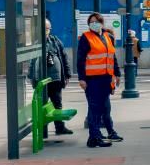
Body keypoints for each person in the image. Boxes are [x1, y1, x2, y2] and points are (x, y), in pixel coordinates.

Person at [78, 12, 122, 148]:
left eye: (96, 21)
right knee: (94, 109)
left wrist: (117, 74)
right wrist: (82, 78)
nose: (94, 24)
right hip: (92, 80)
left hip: (106, 78)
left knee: (104, 107)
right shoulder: (86, 37)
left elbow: (112, 57)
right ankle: (94, 137)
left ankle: (96, 136)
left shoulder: (108, 37)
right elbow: (80, 60)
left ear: (102, 23)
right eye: (91, 22)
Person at [28, 19, 74, 138]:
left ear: (50, 30)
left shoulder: (55, 41)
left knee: (57, 103)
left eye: (47, 29)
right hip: (41, 80)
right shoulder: (37, 43)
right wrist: (31, 76)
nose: (45, 31)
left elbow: (64, 57)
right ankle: (43, 131)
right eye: (43, 29)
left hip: (55, 79)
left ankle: (60, 127)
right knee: (42, 105)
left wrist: (67, 74)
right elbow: (32, 61)